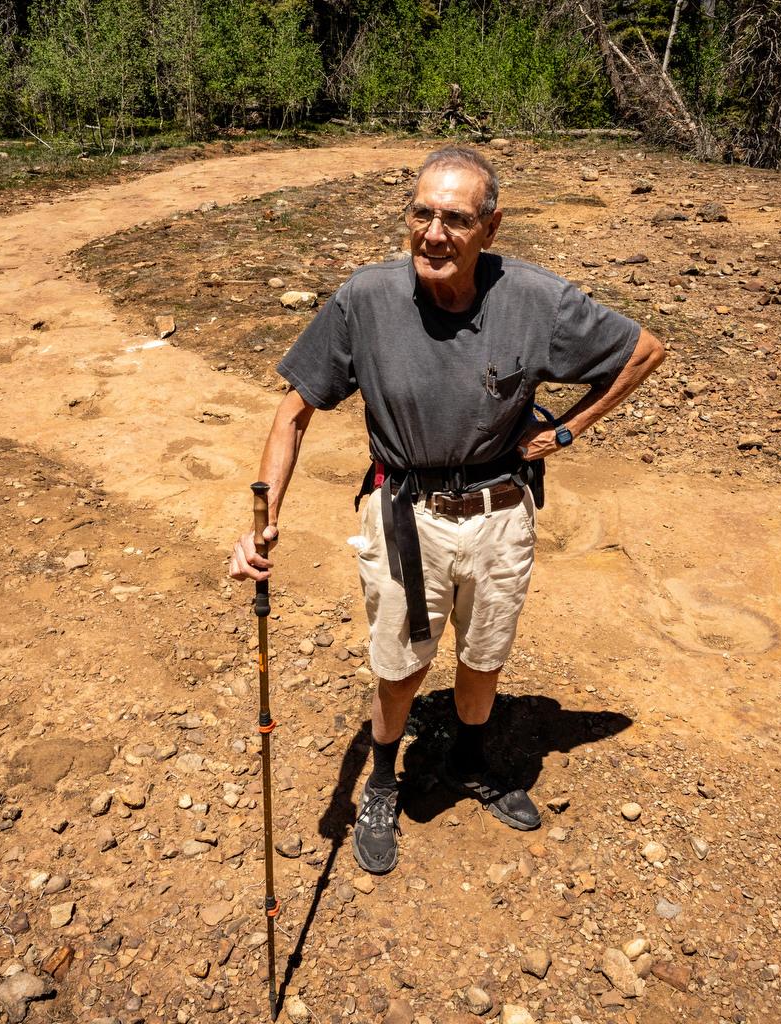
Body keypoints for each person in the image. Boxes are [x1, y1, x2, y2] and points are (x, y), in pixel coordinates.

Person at [228, 146, 665, 875]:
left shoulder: (534, 299)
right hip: (404, 512)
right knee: (399, 666)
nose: (434, 234)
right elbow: (295, 410)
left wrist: (566, 430)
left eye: (456, 219)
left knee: (484, 653)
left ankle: (469, 758)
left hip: (501, 510)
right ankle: (383, 780)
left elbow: (644, 351)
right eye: (421, 213)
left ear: (489, 228)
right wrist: (261, 521)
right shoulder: (366, 300)